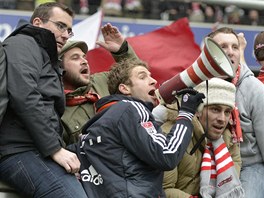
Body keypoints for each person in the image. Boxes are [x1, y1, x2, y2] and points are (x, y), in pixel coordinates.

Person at [69, 58, 205, 197]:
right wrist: (186, 114)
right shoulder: (131, 108)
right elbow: (167, 154)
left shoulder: (99, 123)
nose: (153, 81)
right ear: (124, 88)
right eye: (143, 77)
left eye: (151, 76)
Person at [0, 2, 87, 198]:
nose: (65, 35)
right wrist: (55, 149)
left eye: (69, 30)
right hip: (19, 150)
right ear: (37, 22)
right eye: (61, 26)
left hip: (35, 149)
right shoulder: (23, 43)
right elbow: (25, 95)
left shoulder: (44, 54)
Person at [162, 78, 244, 198]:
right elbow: (164, 189)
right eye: (215, 109)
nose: (222, 119)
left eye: (227, 112)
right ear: (197, 110)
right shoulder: (171, 134)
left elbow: (231, 187)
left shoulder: (230, 139)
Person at [208, 27, 264, 198]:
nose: (230, 52)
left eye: (235, 47)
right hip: (209, 164)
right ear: (210, 51)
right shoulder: (199, 84)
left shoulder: (256, 90)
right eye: (223, 46)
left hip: (249, 167)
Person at [59, 23, 138, 145]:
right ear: (59, 67)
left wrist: (122, 51)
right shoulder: (56, 110)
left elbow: (138, 77)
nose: (84, 61)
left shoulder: (102, 80)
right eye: (75, 58)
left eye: (84, 57)